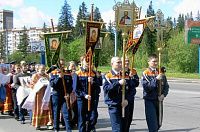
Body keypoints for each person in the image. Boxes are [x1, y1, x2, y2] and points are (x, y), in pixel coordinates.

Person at [103, 56, 135, 132]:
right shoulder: (107, 76)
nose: (120, 64)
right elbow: (106, 89)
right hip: (113, 105)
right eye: (118, 62)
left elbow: (132, 90)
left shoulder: (125, 75)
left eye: (121, 62)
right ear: (112, 64)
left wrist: (127, 100)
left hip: (124, 105)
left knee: (125, 128)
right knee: (117, 129)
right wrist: (118, 83)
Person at [141, 54, 169, 132]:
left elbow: (166, 86)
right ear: (148, 62)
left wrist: (163, 95)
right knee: (152, 124)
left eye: (157, 61)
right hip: (150, 100)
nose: (155, 63)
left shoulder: (161, 72)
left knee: (159, 123)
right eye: (153, 61)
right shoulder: (145, 73)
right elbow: (147, 88)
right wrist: (156, 79)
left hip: (159, 100)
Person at [73, 57, 100, 132]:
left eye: (89, 61)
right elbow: (76, 88)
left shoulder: (93, 73)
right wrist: (84, 95)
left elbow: (98, 88)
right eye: (86, 61)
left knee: (93, 118)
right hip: (82, 99)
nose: (88, 62)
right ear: (82, 62)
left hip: (91, 99)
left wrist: (92, 83)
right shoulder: (78, 73)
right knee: (82, 119)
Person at [22, 64, 53, 130]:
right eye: (41, 69)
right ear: (38, 69)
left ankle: (48, 122)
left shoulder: (47, 76)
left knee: (47, 107)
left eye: (44, 70)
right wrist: (39, 85)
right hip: (39, 94)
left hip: (46, 94)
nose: (43, 71)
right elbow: (31, 85)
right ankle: (38, 123)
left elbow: (50, 83)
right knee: (39, 108)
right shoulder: (35, 76)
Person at [50, 59, 73, 132]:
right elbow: (52, 84)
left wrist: (68, 93)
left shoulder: (67, 73)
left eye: (63, 64)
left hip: (65, 95)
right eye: (61, 64)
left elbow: (70, 85)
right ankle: (56, 128)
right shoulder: (53, 73)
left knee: (66, 113)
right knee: (56, 112)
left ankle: (68, 129)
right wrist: (59, 77)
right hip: (56, 95)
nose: (62, 66)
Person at [122, 56, 139, 132]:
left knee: (129, 118)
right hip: (121, 98)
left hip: (130, 98)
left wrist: (132, 78)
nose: (127, 62)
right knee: (122, 118)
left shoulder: (133, 71)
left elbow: (136, 84)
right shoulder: (119, 72)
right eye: (125, 61)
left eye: (128, 61)